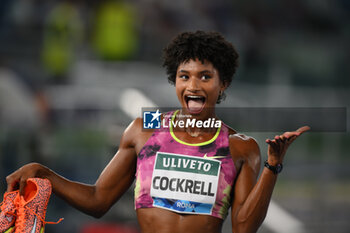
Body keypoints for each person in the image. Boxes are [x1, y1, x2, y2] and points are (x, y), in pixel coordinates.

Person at [6, 31, 309, 233]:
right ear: (174, 81)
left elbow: (243, 228)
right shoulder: (144, 128)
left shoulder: (240, 146)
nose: (193, 86)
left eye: (205, 77)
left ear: (223, 83)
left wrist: (272, 166)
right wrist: (44, 174)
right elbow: (99, 199)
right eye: (184, 76)